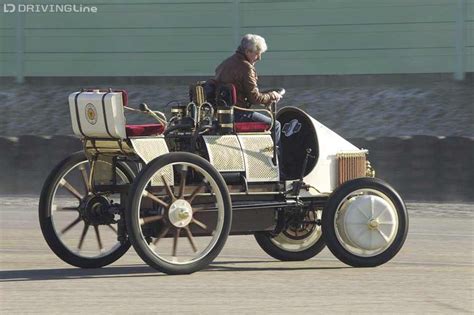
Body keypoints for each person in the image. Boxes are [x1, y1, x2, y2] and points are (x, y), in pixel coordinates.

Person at [214, 34, 283, 146]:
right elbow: (255, 98)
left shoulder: (225, 63)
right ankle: (275, 159)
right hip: (239, 114)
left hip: (223, 113)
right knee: (275, 125)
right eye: (257, 53)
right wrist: (272, 95)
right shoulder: (246, 68)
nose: (259, 58)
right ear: (248, 51)